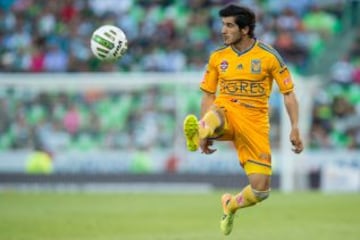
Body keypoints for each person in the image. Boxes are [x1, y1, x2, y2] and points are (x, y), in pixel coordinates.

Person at [183, 4, 304, 236]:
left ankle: (231, 204)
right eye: (222, 25)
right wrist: (204, 133)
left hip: (255, 124)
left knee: (261, 191)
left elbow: (288, 93)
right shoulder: (218, 57)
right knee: (218, 110)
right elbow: (209, 95)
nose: (223, 30)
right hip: (226, 113)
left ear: (245, 29)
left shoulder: (268, 56)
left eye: (229, 26)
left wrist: (295, 127)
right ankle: (200, 131)